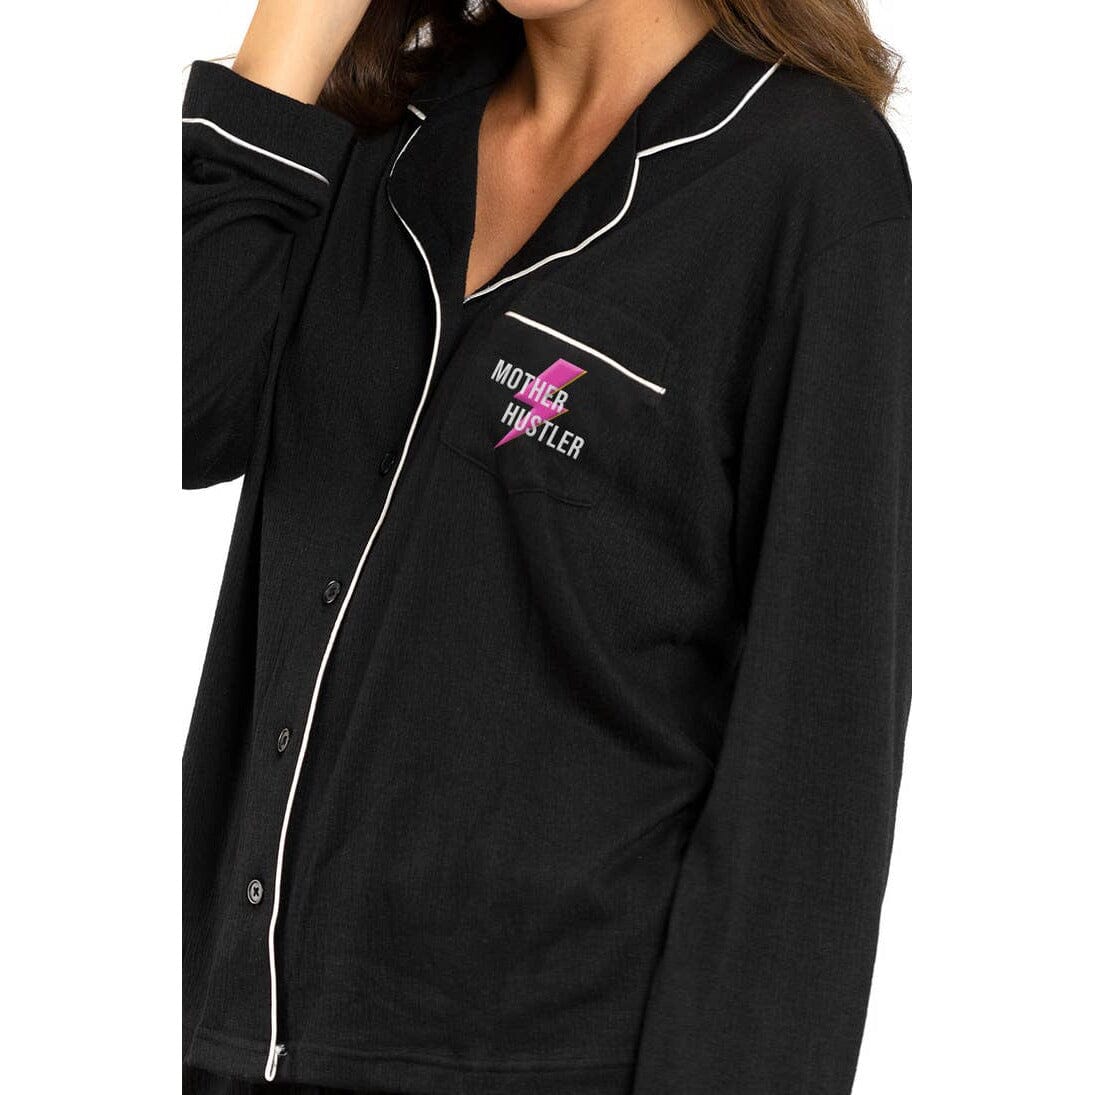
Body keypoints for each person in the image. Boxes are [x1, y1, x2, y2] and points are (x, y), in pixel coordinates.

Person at [181, 0, 911, 1091]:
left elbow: (816, 751)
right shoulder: (387, 133)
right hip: (236, 1037)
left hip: (552, 1056)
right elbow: (184, 412)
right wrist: (290, 40)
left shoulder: (807, 175)